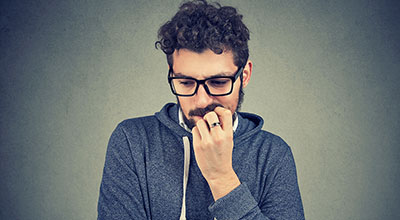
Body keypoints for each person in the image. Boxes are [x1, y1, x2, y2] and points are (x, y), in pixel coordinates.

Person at [97, 0, 305, 219]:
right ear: (172, 75)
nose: (202, 101)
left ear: (244, 76)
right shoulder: (132, 141)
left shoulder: (273, 154)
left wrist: (221, 177)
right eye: (186, 83)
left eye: (218, 82)